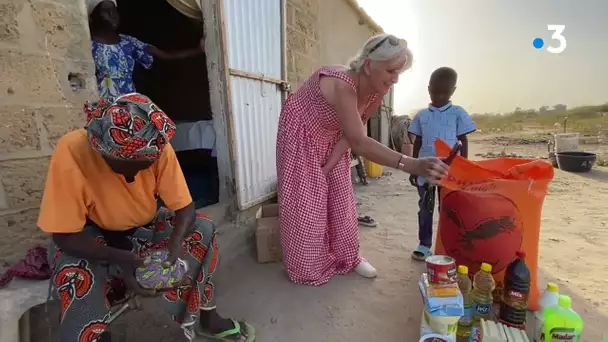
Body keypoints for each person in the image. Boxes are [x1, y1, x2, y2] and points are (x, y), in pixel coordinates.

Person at [38, 93, 254, 341]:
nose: (144, 169)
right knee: (76, 274)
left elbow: (185, 208)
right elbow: (64, 236)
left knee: (203, 228)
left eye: (148, 162)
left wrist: (174, 243)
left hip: (141, 229)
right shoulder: (72, 150)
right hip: (89, 238)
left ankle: (206, 316)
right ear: (105, 153)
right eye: (135, 165)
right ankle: (96, 335)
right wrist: (123, 259)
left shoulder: (156, 146)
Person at [276, 34, 450, 286]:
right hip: (300, 131)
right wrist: (413, 164)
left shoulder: (377, 91)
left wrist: (330, 163)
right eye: (391, 70)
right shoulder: (343, 85)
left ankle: (348, 257)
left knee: (340, 196)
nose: (395, 78)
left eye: (399, 72)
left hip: (333, 133)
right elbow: (360, 142)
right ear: (368, 66)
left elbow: (353, 133)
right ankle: (309, 265)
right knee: (307, 202)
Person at [407, 67, 477, 261]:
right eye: (435, 91)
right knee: (425, 208)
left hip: (450, 171)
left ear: (453, 91)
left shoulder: (458, 113)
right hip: (425, 170)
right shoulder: (421, 116)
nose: (439, 96)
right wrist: (413, 167)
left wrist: (465, 168)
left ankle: (447, 244)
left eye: (445, 92)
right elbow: (418, 142)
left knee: (448, 209)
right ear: (429, 89)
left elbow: (463, 140)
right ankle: (424, 244)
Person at [87, 0, 204, 99]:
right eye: (106, 11)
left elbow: (165, 55)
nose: (112, 15)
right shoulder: (89, 45)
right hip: (102, 107)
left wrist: (199, 50)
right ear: (95, 16)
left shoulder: (128, 42)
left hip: (128, 104)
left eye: (114, 11)